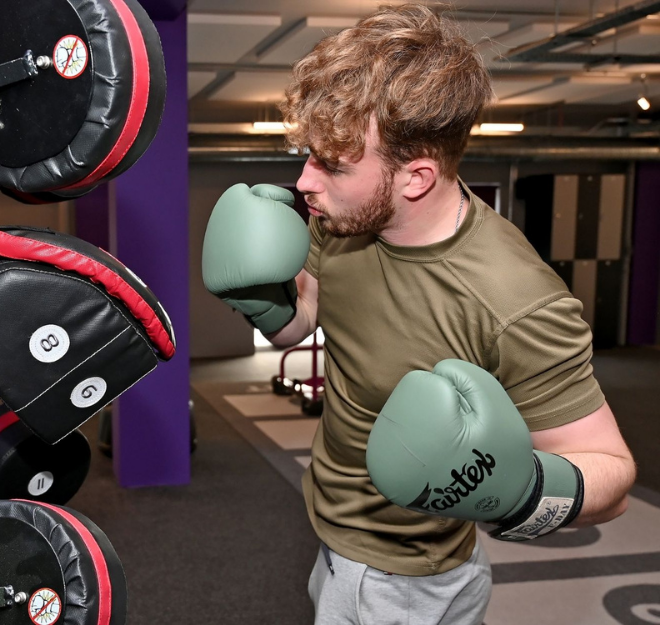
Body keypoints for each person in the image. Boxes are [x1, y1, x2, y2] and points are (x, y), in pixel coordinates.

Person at [200, 5, 637, 624]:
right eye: (309, 154)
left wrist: (517, 492)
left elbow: (615, 477)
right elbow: (305, 321)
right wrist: (261, 300)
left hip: (406, 581)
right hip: (331, 538)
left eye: (332, 165)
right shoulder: (343, 222)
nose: (304, 181)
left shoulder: (515, 302)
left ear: (416, 177)